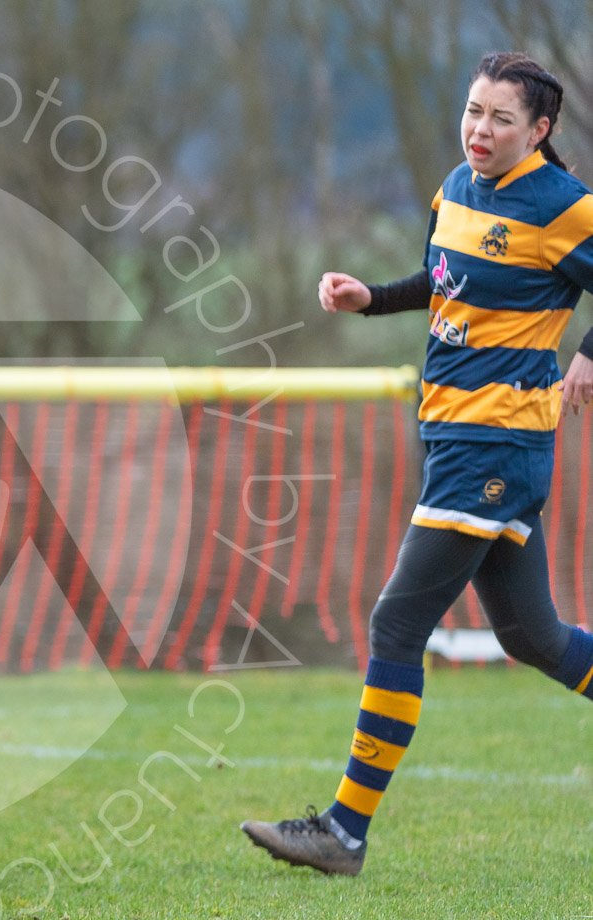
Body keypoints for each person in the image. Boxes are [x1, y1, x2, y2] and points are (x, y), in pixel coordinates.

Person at [242, 52, 593, 876]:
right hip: (451, 438)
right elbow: (444, 286)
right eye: (474, 112)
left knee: (397, 623)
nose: (480, 130)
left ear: (539, 131)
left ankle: (344, 831)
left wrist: (587, 354)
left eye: (501, 119)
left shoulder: (566, 208)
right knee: (533, 636)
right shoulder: (454, 188)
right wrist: (372, 297)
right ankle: (344, 834)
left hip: (496, 443)